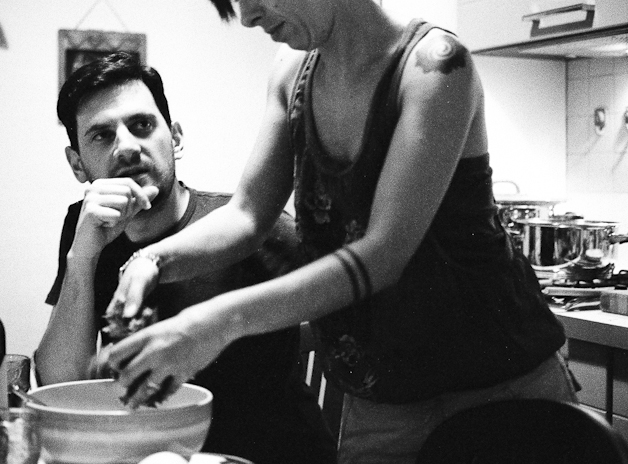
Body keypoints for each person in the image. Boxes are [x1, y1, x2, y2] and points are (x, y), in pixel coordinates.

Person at [99, 2, 579, 462]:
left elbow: (381, 255)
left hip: (501, 390)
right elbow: (247, 215)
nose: (246, 16)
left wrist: (216, 324)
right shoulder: (291, 71)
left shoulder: (435, 67)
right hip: (380, 399)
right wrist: (150, 260)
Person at [35, 52, 337, 464]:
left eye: (142, 125)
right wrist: (82, 258)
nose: (127, 147)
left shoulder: (252, 229)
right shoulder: (86, 227)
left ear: (175, 137)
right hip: (155, 454)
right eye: (102, 136)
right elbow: (59, 384)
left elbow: (350, 309)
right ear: (77, 164)